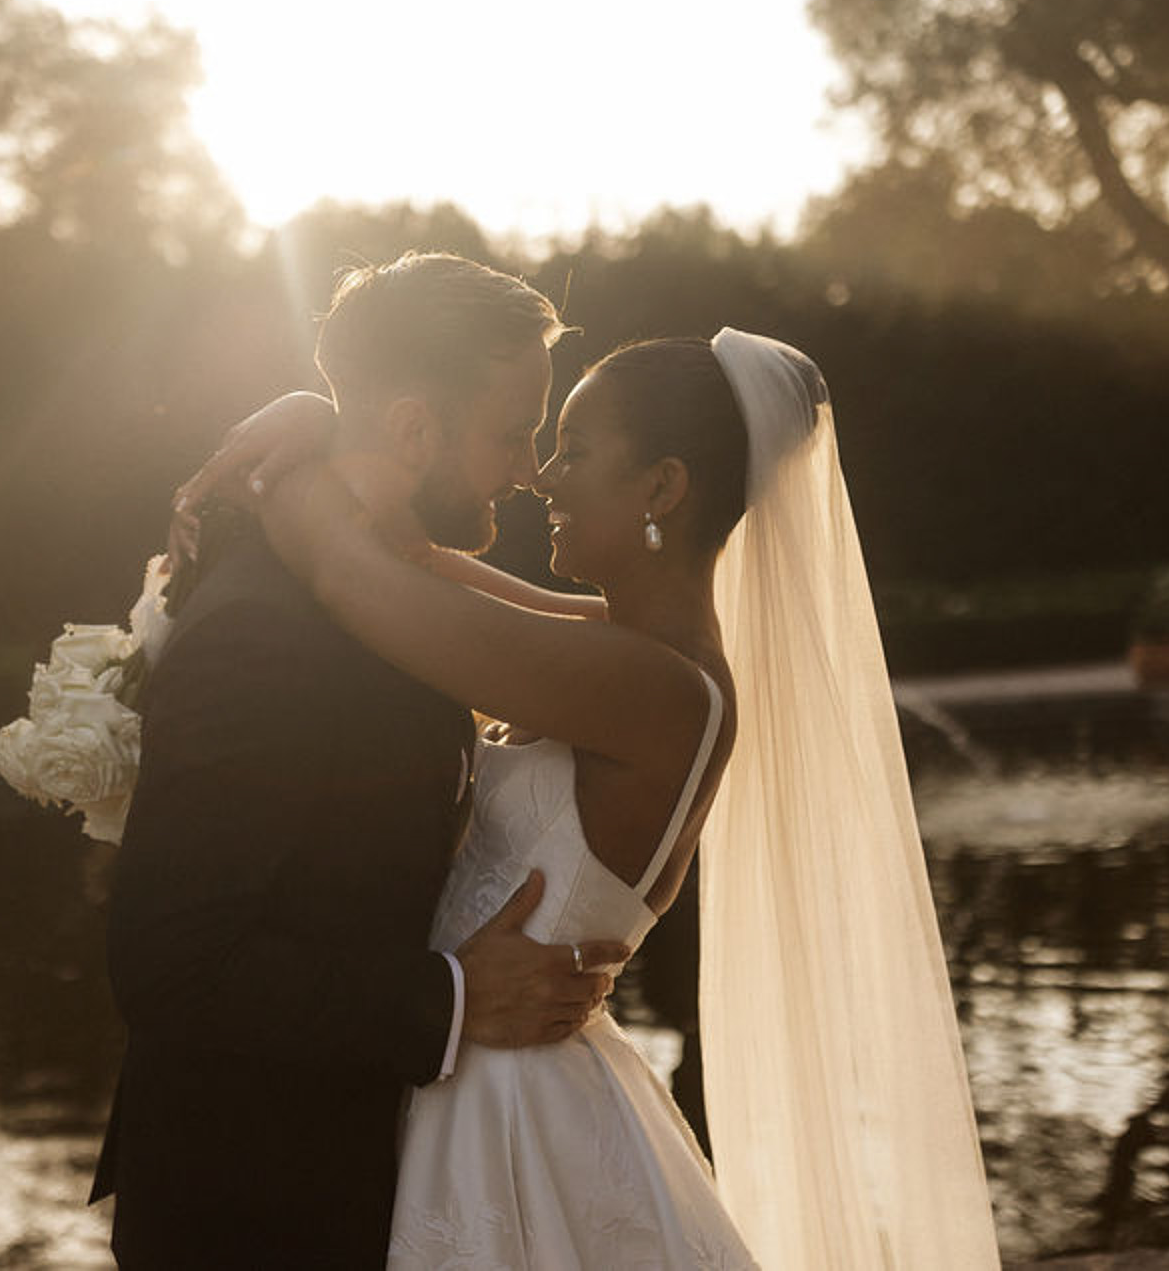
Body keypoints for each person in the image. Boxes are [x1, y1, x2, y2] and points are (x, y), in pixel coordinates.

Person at [189, 326, 1002, 1267]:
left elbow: (351, 575)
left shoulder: (657, 690)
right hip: (472, 1071)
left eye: (573, 451)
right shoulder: (622, 647)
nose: (541, 477)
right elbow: (412, 561)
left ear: (661, 487)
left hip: (510, 1116)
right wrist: (308, 412)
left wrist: (265, 471)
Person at [90, 253, 631, 1268]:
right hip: (246, 1209)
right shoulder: (263, 634)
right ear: (412, 428)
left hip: (353, 1181)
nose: (527, 468)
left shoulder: (376, 587)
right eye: (512, 433)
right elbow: (167, 962)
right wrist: (453, 997)